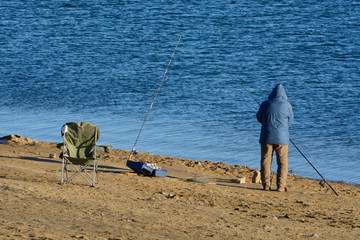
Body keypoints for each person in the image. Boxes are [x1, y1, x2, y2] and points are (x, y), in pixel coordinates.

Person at [256, 84, 293, 192]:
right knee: (282, 162)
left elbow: (259, 118)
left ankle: (266, 185)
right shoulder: (287, 105)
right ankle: (281, 186)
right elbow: (290, 121)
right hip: (282, 139)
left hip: (266, 137)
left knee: (266, 161)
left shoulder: (265, 104)